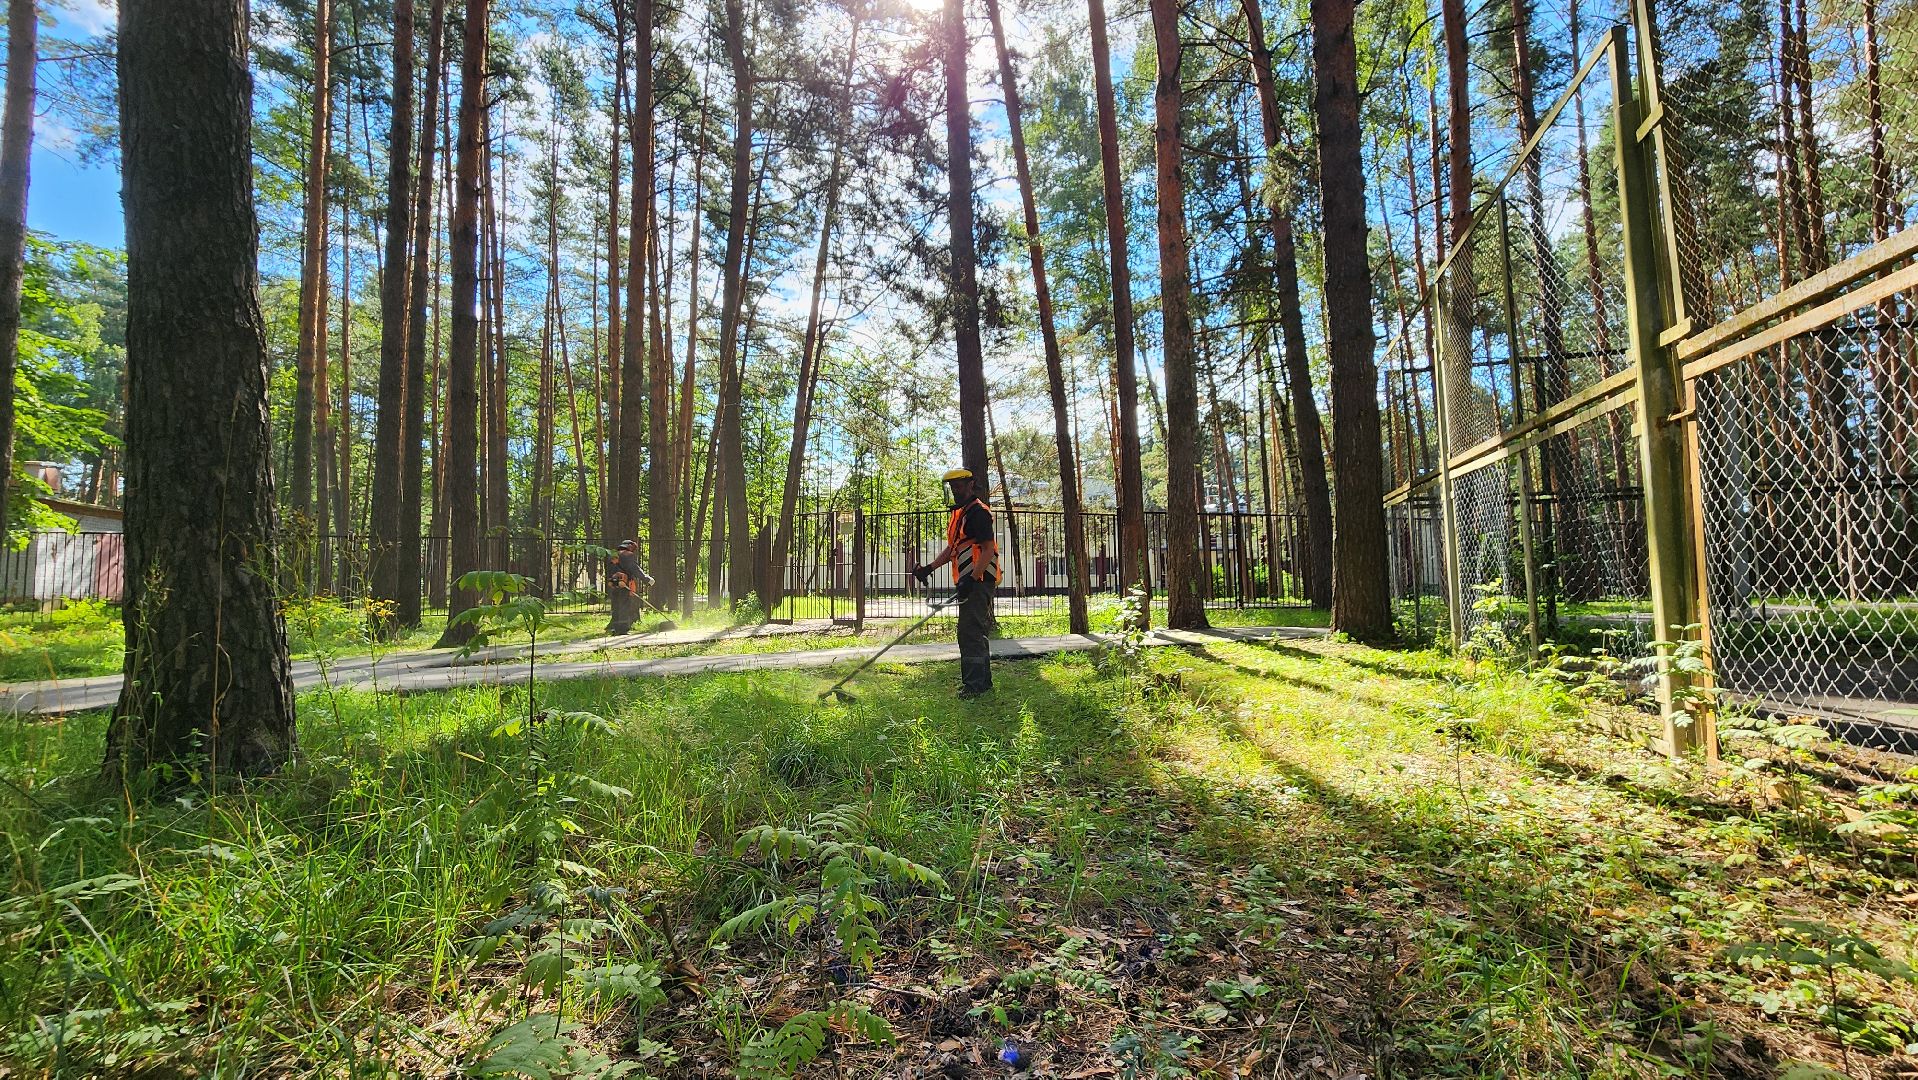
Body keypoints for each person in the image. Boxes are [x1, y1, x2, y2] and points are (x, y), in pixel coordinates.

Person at [915, 468, 1000, 698]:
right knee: (974, 631)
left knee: (969, 631)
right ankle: (983, 683)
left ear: (970, 485)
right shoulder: (962, 513)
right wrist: (929, 568)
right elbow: (954, 549)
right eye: (952, 488)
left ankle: (974, 687)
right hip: (971, 580)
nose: (955, 491)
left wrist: (972, 580)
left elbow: (988, 549)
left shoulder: (978, 513)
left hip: (979, 580)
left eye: (959, 487)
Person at [607, 539, 653, 635]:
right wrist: (646, 579)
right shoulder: (627, 555)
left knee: (616, 606)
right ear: (629, 546)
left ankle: (615, 628)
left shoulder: (613, 555)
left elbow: (609, 570)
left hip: (613, 583)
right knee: (624, 606)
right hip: (624, 583)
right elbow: (635, 569)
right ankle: (623, 630)